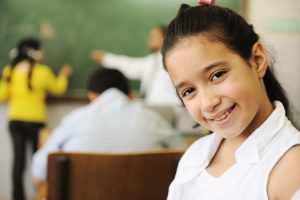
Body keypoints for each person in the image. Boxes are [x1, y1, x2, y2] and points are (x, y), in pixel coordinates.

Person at [161, 2, 300, 200]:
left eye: (217, 75)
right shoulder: (195, 155)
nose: (208, 103)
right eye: (189, 91)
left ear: (257, 60)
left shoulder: (291, 167)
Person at [31, 68, 184, 184]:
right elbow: (186, 161)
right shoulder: (154, 120)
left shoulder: (73, 121)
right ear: (130, 95)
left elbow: (38, 172)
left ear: (91, 96)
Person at [0, 37, 72, 200]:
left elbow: (2, 95)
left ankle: (18, 197)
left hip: (16, 120)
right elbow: (58, 89)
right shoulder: (43, 72)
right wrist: (63, 75)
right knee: (39, 161)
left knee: (18, 161)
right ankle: (41, 195)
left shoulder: (9, 71)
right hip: (36, 122)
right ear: (37, 52)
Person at [90, 25, 180, 106]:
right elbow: (130, 66)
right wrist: (106, 58)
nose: (149, 39)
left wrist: (106, 58)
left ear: (165, 37)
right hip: (154, 108)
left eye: (153, 36)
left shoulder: (175, 58)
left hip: (172, 108)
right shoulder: (152, 61)